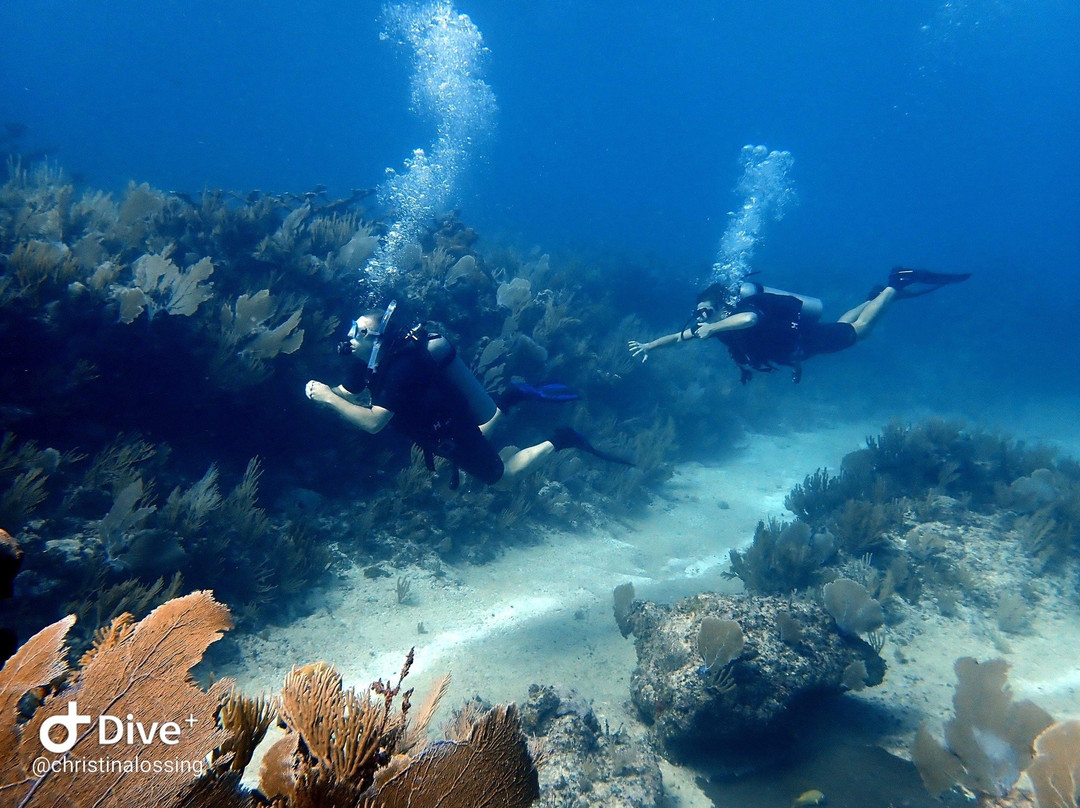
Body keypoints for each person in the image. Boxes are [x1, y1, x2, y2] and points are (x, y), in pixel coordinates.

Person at [306, 302, 630, 489]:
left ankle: (562, 439)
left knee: (501, 479)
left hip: (446, 427)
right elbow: (348, 392)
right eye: (353, 326)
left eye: (360, 331)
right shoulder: (368, 361)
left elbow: (375, 422)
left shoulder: (398, 368)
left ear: (379, 339)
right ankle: (509, 398)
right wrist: (328, 392)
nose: (351, 336)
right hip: (438, 423)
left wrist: (327, 398)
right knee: (481, 431)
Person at [628, 267, 970, 384]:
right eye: (699, 313)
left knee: (860, 332)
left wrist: (713, 329)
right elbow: (677, 337)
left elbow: (750, 319)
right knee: (842, 322)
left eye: (706, 311)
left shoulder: (741, 312)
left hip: (807, 341)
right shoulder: (712, 324)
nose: (701, 318)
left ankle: (896, 284)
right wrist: (649, 346)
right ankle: (877, 295)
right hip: (806, 343)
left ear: (721, 307)